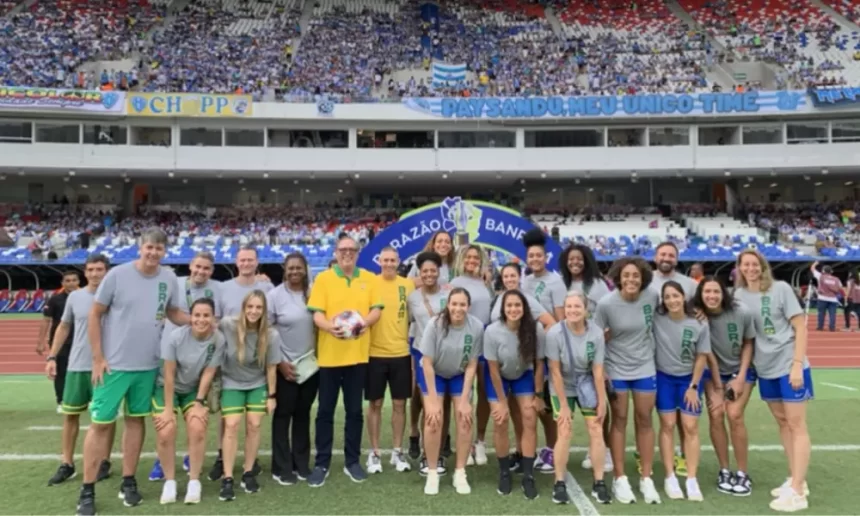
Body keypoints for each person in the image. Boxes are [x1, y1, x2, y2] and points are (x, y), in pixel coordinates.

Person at [76, 228, 188, 516]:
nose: (153, 253)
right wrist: (98, 357)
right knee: (100, 425)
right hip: (114, 366)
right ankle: (87, 490)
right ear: (141, 247)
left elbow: (173, 313)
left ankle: (128, 480)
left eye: (159, 249)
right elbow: (95, 313)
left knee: (136, 422)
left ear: (165, 251)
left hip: (148, 365)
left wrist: (202, 321)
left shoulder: (169, 278)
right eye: (149, 247)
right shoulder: (117, 275)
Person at [734, 249, 812, 513]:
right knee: (782, 422)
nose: (750, 268)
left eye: (754, 264)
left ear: (762, 266)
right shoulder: (739, 296)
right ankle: (795, 478)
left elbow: (800, 326)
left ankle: (799, 490)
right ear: (740, 268)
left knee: (796, 424)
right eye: (745, 264)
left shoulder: (780, 289)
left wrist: (797, 365)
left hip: (789, 365)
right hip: (765, 368)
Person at [307, 236, 383, 486]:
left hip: (358, 357)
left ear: (358, 253)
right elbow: (317, 314)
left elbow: (376, 310)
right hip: (329, 358)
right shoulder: (323, 279)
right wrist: (331, 327)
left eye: (352, 250)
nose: (347, 253)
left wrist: (363, 324)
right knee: (325, 412)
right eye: (343, 250)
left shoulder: (369, 279)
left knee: (354, 412)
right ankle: (322, 462)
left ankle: (352, 461)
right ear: (336, 253)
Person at [592, 256, 662, 505]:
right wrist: (602, 372)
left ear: (643, 278)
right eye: (626, 275)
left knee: (645, 419)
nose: (631, 280)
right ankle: (620, 478)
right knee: (619, 419)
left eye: (636, 276)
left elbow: (673, 310)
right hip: (616, 369)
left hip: (645, 366)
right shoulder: (606, 304)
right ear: (619, 277)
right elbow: (597, 337)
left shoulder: (652, 296)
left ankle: (646, 478)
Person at [149, 251, 222, 482]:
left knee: (196, 421)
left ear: (212, 270)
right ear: (190, 265)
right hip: (170, 353)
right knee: (165, 422)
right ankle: (161, 460)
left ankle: (192, 457)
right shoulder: (174, 283)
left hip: (197, 359)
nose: (201, 271)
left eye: (206, 268)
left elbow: (217, 319)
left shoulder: (217, 289)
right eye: (198, 266)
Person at [46, 255, 112, 486]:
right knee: (70, 415)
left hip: (105, 366)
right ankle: (67, 463)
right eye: (91, 269)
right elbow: (63, 326)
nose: (95, 274)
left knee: (104, 418)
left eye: (100, 269)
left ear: (107, 271)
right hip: (76, 365)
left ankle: (103, 460)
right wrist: (52, 356)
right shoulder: (75, 297)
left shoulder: (114, 296)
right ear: (85, 272)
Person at [153, 298, 225, 504]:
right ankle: (170, 481)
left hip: (192, 389)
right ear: (190, 317)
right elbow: (168, 374)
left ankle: (194, 480)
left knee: (197, 426)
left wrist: (199, 402)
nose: (201, 320)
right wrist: (168, 409)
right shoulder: (176, 337)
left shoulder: (218, 339)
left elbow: (209, 372)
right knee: (166, 429)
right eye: (197, 315)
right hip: (166, 388)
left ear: (213, 318)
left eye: (206, 315)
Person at [210, 246, 272, 481]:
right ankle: (220, 457)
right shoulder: (223, 288)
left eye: (251, 260)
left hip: (255, 362)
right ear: (237, 262)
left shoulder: (266, 287)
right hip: (228, 363)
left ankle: (250, 460)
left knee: (253, 421)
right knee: (227, 418)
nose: (246, 263)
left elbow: (270, 320)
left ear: (257, 263)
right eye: (242, 260)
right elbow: (216, 323)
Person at [546, 291, 611, 505]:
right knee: (564, 430)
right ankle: (559, 482)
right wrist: (563, 405)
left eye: (577, 307)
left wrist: (602, 400)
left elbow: (598, 370)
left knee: (596, 428)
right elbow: (554, 371)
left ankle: (599, 481)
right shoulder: (555, 333)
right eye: (569, 307)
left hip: (586, 383)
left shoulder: (596, 333)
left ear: (586, 310)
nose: (572, 311)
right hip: (562, 384)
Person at [417, 288, 483, 495]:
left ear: (468, 307)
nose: (458, 308)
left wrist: (464, 400)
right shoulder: (435, 324)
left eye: (462, 304)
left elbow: (472, 364)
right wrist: (434, 402)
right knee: (433, 419)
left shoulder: (476, 326)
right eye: (454, 304)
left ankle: (460, 472)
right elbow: (426, 363)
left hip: (459, 374)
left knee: (465, 418)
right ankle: (433, 471)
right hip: (434, 372)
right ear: (448, 305)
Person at [694, 276, 756, 496]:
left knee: (735, 414)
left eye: (716, 292)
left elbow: (749, 342)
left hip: (741, 369)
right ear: (700, 294)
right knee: (716, 414)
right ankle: (724, 470)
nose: (711, 296)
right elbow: (705, 353)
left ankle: (742, 473)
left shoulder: (741, 312)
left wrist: (740, 377)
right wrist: (719, 387)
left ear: (724, 293)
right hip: (713, 373)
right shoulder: (697, 316)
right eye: (707, 292)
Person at [218, 291, 281, 501]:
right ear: (244, 308)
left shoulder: (271, 335)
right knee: (232, 425)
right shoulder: (227, 325)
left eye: (259, 308)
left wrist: (272, 396)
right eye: (250, 307)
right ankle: (227, 477)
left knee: (254, 425)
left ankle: (248, 472)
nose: (254, 311)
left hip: (257, 383)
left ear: (264, 311)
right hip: (231, 382)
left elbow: (271, 368)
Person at [484, 290, 544, 499]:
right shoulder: (492, 331)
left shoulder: (535, 328)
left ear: (524, 307)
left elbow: (539, 364)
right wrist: (501, 401)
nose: (513, 309)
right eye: (509, 306)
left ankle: (528, 474)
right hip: (499, 376)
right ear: (503, 309)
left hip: (523, 375)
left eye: (517, 305)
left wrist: (538, 394)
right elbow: (492, 370)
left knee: (529, 417)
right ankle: (504, 472)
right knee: (500, 420)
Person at [559, 243, 613, 473]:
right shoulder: (562, 283)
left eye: (579, 259)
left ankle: (603, 449)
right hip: (568, 354)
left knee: (598, 402)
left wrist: (598, 341)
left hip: (594, 351)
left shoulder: (598, 285)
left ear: (587, 260)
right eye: (571, 259)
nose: (575, 262)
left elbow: (608, 318)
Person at [653, 281, 710, 502]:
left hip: (689, 379)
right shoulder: (658, 318)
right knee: (667, 425)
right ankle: (670, 476)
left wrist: (694, 386)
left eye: (676, 296)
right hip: (664, 377)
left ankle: (692, 478)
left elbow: (702, 356)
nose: (672, 301)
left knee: (690, 426)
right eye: (667, 297)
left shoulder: (698, 322)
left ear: (683, 297)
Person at [648, 241, 698, 477]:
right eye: (662, 254)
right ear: (655, 257)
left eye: (671, 254)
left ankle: (681, 453)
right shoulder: (646, 280)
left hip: (683, 356)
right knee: (654, 413)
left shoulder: (688, 284)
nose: (666, 257)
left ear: (676, 259)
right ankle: (645, 454)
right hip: (652, 355)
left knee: (682, 418)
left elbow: (698, 312)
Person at [267, 253, 317, 485]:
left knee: (303, 415)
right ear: (285, 270)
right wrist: (279, 363)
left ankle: (301, 463)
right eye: (291, 268)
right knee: (282, 416)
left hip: (310, 367)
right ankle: (281, 466)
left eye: (299, 268)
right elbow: (265, 333)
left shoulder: (313, 292)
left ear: (305, 269)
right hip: (284, 365)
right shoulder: (275, 296)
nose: (295, 272)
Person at [520, 230, 565, 474]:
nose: (535, 259)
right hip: (531, 348)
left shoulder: (556, 282)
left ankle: (552, 447)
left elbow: (560, 319)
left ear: (545, 257)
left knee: (547, 403)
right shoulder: (526, 281)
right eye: (531, 256)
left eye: (539, 256)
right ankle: (544, 448)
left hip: (549, 350)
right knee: (535, 401)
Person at [366, 247, 415, 474]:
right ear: (379, 261)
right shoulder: (369, 283)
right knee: (374, 404)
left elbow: (428, 284)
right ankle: (374, 453)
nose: (388, 264)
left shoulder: (408, 284)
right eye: (385, 260)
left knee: (399, 405)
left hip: (401, 353)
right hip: (374, 354)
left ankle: (397, 451)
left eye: (392, 260)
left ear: (398, 262)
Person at [406, 251, 450, 475]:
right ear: (419, 273)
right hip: (422, 355)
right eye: (425, 271)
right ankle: (426, 453)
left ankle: (439, 450)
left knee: (446, 404)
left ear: (439, 272)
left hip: (447, 355)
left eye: (433, 270)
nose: (430, 274)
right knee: (428, 402)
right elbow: (407, 323)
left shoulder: (449, 293)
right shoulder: (412, 297)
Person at [449, 244, 492, 466]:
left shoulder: (487, 282)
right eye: (469, 257)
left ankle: (480, 441)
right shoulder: (455, 283)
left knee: (484, 392)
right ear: (462, 259)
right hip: (463, 341)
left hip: (485, 340)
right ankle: (463, 443)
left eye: (476, 257)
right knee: (465, 394)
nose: (472, 260)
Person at [38, 269, 80, 412]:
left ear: (79, 281)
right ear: (63, 283)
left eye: (74, 280)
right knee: (60, 372)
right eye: (67, 281)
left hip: (81, 341)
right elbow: (46, 321)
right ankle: (61, 400)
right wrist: (41, 341)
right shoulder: (55, 299)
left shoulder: (86, 297)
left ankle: (90, 399)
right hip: (61, 342)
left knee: (85, 371)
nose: (71, 283)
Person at [810, 261, 842, 332]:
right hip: (833, 299)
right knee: (832, 314)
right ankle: (832, 327)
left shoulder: (820, 276)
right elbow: (840, 288)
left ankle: (820, 327)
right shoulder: (836, 279)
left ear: (823, 271)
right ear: (831, 271)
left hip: (822, 298)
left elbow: (812, 268)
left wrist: (816, 262)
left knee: (821, 313)